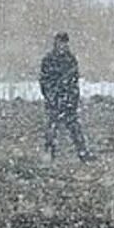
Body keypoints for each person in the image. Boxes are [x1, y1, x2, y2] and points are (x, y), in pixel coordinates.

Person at [38, 32, 94, 161]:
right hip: (54, 100)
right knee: (52, 127)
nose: (62, 45)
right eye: (60, 42)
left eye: (64, 42)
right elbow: (44, 81)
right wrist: (51, 97)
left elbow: (74, 81)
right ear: (55, 43)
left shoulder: (70, 59)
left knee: (74, 128)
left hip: (68, 100)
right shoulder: (48, 59)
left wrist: (73, 98)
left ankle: (82, 153)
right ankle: (49, 154)